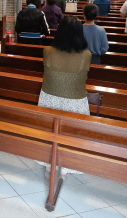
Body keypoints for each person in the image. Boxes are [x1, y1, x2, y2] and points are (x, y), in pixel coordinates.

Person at [36, 16, 91, 180]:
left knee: (48, 130)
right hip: (75, 100)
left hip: (49, 98)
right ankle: (66, 167)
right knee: (72, 133)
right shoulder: (86, 55)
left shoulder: (47, 51)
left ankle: (48, 165)